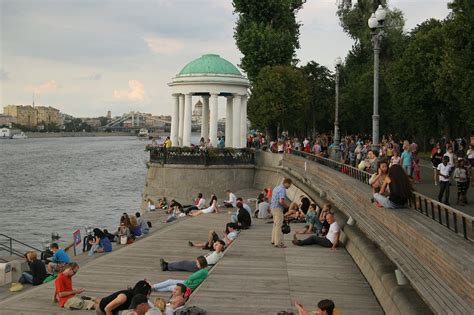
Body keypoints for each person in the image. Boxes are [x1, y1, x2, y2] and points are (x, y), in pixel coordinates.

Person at [160, 240, 225, 272]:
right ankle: (168, 265)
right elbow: (218, 247)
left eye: (217, 244)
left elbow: (220, 246)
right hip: (201, 263)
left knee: (183, 263)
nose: (215, 244)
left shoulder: (218, 253)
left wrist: (217, 243)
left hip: (201, 266)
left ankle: (167, 266)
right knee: (184, 265)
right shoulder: (218, 253)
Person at [271, 178, 292, 248]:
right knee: (279, 226)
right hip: (278, 209)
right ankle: (279, 243)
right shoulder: (282, 190)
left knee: (275, 225)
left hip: (273, 208)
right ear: (286, 183)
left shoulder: (276, 188)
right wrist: (287, 207)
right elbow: (281, 201)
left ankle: (273, 240)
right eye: (289, 185)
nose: (289, 186)